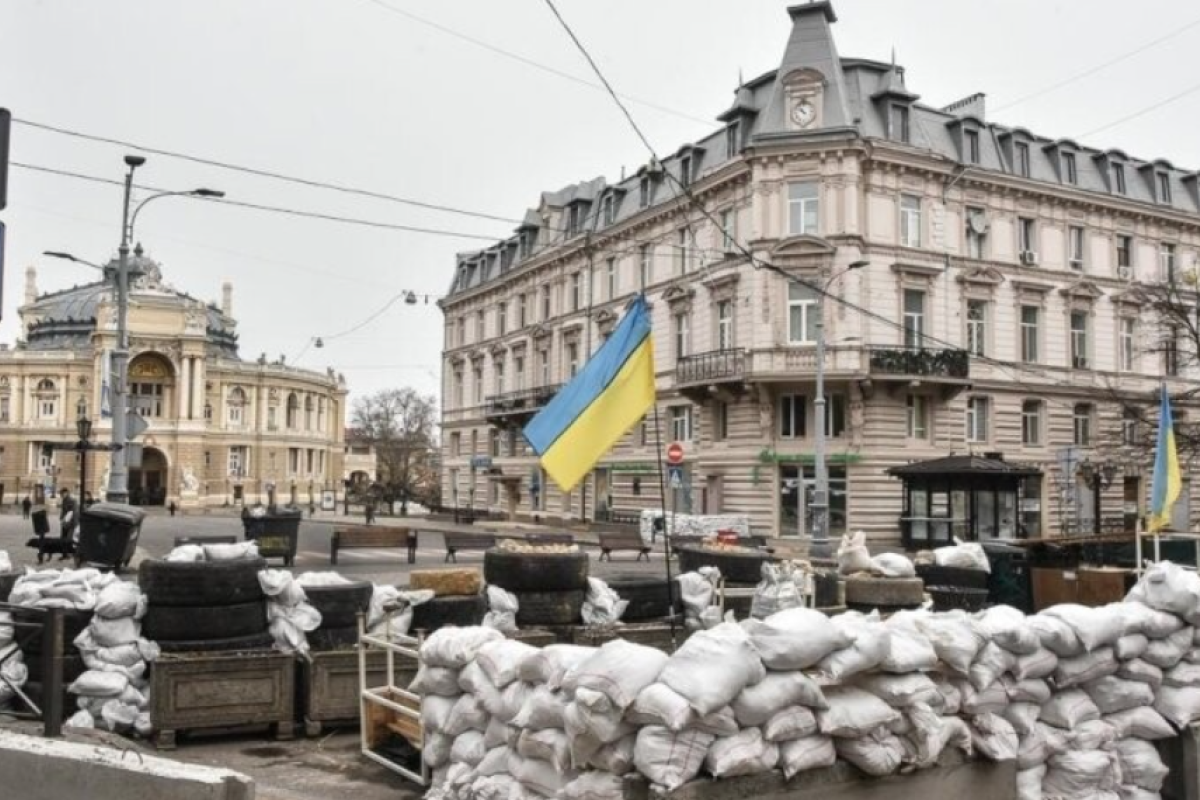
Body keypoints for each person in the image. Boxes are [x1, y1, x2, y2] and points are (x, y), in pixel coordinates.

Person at [58, 488, 78, 558]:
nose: (61, 495)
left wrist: (74, 524)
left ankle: (69, 553)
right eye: (61, 494)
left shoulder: (72, 501)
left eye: (62, 494)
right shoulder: (64, 500)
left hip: (70, 523)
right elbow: (63, 511)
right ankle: (64, 554)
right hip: (65, 522)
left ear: (66, 493)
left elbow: (74, 512)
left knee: (68, 539)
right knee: (63, 538)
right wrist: (61, 517)